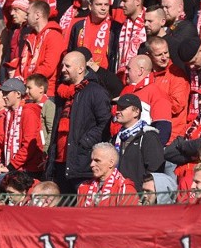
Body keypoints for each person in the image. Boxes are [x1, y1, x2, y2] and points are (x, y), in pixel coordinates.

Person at [46, 50, 111, 192]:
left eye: (67, 66)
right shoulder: (64, 93)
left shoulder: (96, 92)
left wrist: (85, 142)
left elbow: (105, 123)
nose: (63, 70)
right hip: (61, 162)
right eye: (63, 66)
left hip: (82, 164)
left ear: (81, 69)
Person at [113, 94, 165, 190]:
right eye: (117, 108)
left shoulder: (148, 136)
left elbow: (155, 170)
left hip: (138, 196)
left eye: (122, 108)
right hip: (118, 194)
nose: (117, 112)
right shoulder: (116, 138)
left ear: (136, 112)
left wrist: (144, 193)